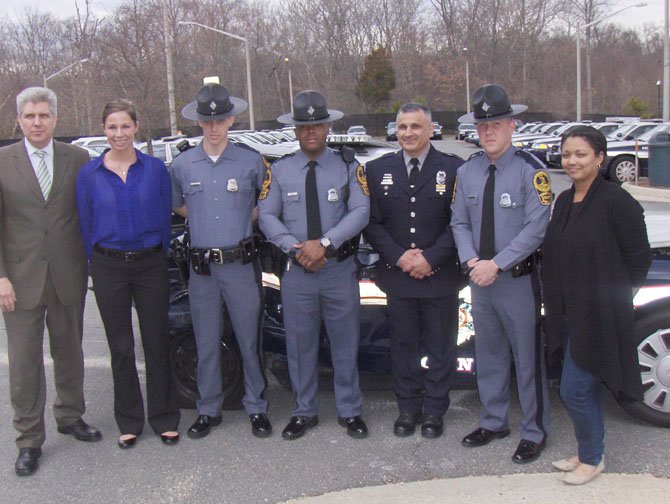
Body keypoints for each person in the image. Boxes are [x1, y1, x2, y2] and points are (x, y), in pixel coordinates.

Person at [0, 87, 101, 476]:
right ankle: (28, 439)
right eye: (30, 116)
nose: (37, 123)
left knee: (69, 352)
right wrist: (2, 277)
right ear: (19, 120)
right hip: (19, 280)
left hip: (67, 274)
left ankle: (71, 415)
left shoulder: (78, 158)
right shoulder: (4, 161)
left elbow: (87, 213)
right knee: (24, 364)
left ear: (56, 118)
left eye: (44, 115)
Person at [258, 90, 370, 440]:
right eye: (303, 126)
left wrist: (324, 244)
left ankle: (350, 410)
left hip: (338, 269)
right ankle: (304, 411)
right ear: (294, 129)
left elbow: (361, 211)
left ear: (327, 127)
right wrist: (295, 248)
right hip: (297, 273)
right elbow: (266, 214)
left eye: (317, 125)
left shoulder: (349, 166)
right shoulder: (278, 170)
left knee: (345, 343)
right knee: (300, 345)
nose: (310, 131)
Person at [542, 126, 651, 485]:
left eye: (581, 154)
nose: (571, 161)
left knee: (573, 388)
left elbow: (638, 258)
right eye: (567, 154)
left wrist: (616, 297)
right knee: (581, 387)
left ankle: (592, 458)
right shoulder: (563, 200)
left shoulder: (617, 202)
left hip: (600, 314)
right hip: (568, 312)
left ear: (600, 158)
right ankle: (587, 449)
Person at [450, 84, 551, 463]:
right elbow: (458, 221)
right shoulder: (468, 171)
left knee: (527, 358)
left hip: (518, 281)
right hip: (480, 280)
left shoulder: (531, 172)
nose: (488, 131)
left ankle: (534, 430)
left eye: (496, 123)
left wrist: (497, 263)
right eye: (482, 125)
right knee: (488, 355)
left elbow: (536, 228)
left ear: (513, 124)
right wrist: (473, 261)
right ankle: (493, 421)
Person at [76, 99, 180, 449]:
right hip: (109, 267)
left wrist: (157, 251)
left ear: (136, 127)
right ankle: (130, 420)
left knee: (156, 341)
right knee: (120, 347)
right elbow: (85, 222)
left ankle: (165, 417)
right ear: (103, 130)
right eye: (112, 127)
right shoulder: (89, 174)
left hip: (150, 263)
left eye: (125, 126)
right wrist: (97, 263)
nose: (119, 134)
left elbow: (166, 217)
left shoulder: (154, 169)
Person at [171, 80, 271, 439]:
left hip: (240, 266)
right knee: (206, 341)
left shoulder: (250, 161)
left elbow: (266, 205)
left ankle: (257, 407)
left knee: (248, 339)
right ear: (199, 122)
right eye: (207, 120)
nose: (214, 126)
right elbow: (178, 204)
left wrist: (242, 221)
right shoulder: (183, 164)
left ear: (231, 120)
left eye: (221, 119)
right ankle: (208, 409)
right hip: (202, 271)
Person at [364, 103, 463, 438]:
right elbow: (373, 224)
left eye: (416, 127)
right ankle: (407, 409)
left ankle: (434, 410)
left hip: (440, 276)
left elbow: (459, 223)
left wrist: (430, 258)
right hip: (398, 276)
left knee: (440, 348)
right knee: (403, 347)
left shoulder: (453, 168)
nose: (408, 133)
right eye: (403, 127)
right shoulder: (378, 170)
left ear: (431, 129)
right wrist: (401, 257)